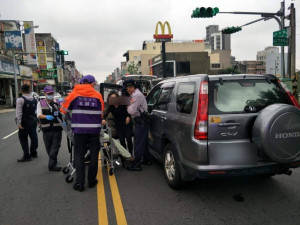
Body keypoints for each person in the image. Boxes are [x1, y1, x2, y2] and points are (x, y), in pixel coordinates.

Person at [61, 75, 104, 192]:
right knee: (94, 155)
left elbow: (63, 110)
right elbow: (101, 114)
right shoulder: (98, 96)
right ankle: (91, 181)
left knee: (79, 156)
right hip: (94, 131)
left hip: (79, 131)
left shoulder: (74, 94)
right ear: (92, 84)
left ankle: (80, 183)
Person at [125, 79, 151, 171]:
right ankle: (147, 159)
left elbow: (131, 111)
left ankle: (137, 164)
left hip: (141, 122)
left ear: (132, 87)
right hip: (142, 121)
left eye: (128, 88)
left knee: (138, 143)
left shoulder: (136, 95)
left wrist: (128, 107)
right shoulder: (136, 94)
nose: (127, 90)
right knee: (143, 142)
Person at [102, 91, 133, 165]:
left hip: (127, 123)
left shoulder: (123, 102)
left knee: (129, 139)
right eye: (112, 98)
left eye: (115, 97)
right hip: (119, 125)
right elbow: (105, 114)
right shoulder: (111, 106)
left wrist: (128, 116)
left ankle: (131, 155)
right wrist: (103, 119)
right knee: (122, 140)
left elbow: (130, 107)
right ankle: (125, 156)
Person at [37, 86, 63, 171]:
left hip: (57, 129)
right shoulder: (40, 103)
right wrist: (46, 116)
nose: (51, 95)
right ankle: (53, 160)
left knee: (55, 146)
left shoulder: (57, 102)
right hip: (46, 129)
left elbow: (62, 113)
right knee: (48, 148)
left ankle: (51, 165)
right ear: (45, 94)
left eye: (52, 93)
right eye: (49, 94)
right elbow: (38, 114)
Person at [16, 84, 38, 162]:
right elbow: (36, 111)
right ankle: (34, 152)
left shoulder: (20, 100)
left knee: (23, 138)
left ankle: (26, 156)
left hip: (24, 122)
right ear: (29, 90)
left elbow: (19, 113)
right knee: (34, 137)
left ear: (21, 90)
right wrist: (37, 120)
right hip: (33, 120)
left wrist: (19, 123)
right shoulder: (35, 99)